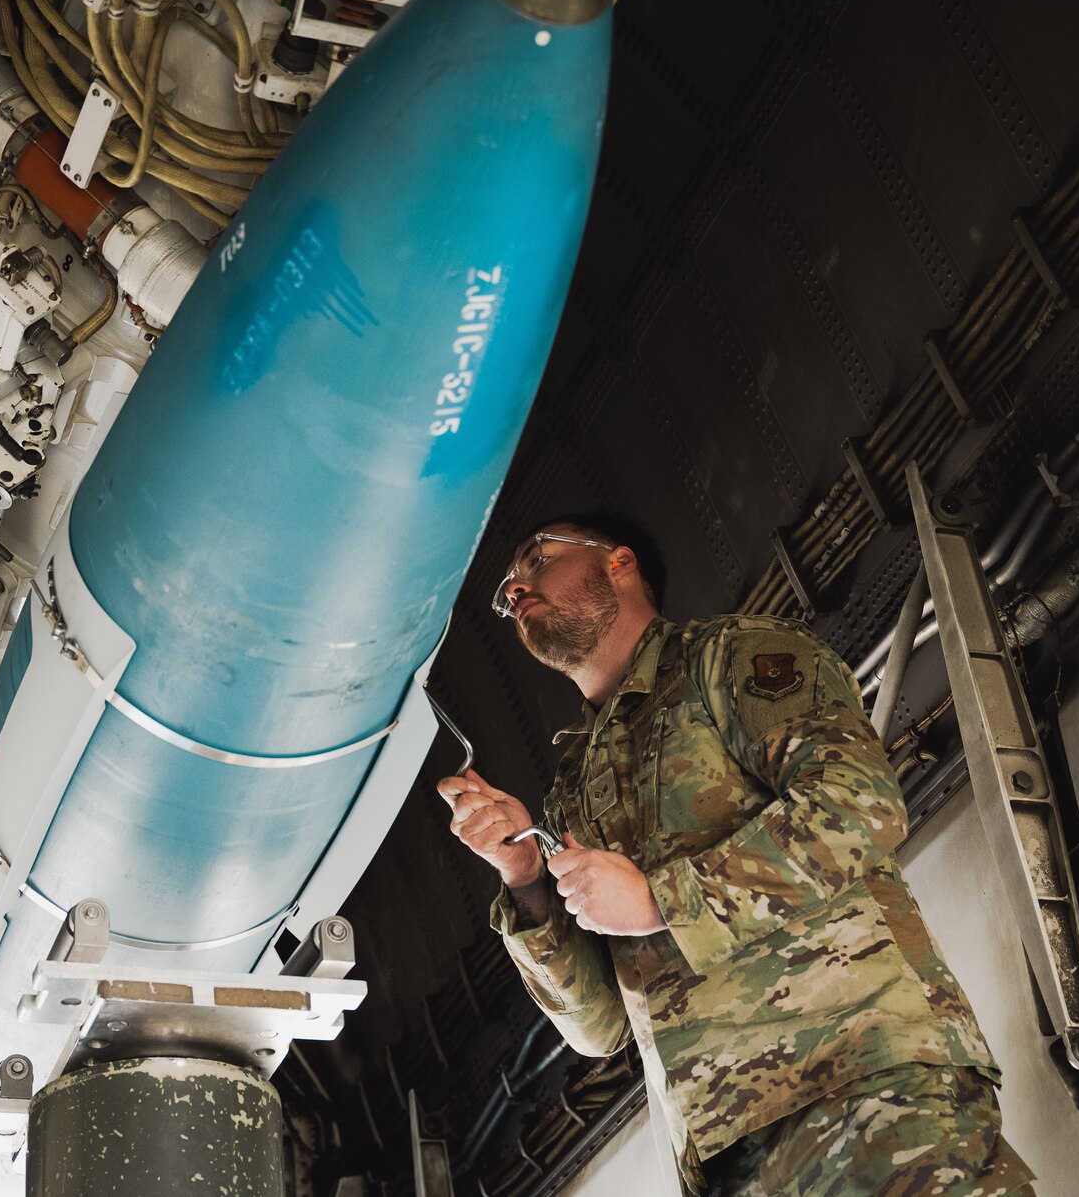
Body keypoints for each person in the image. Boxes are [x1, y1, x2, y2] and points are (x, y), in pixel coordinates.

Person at [438, 513, 1035, 1197]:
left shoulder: (727, 658)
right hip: (728, 1157)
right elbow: (600, 1028)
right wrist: (524, 877)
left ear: (618, 562)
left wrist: (661, 899)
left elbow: (856, 804)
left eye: (535, 559)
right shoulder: (572, 790)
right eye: (506, 589)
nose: (515, 590)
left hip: (864, 1087)